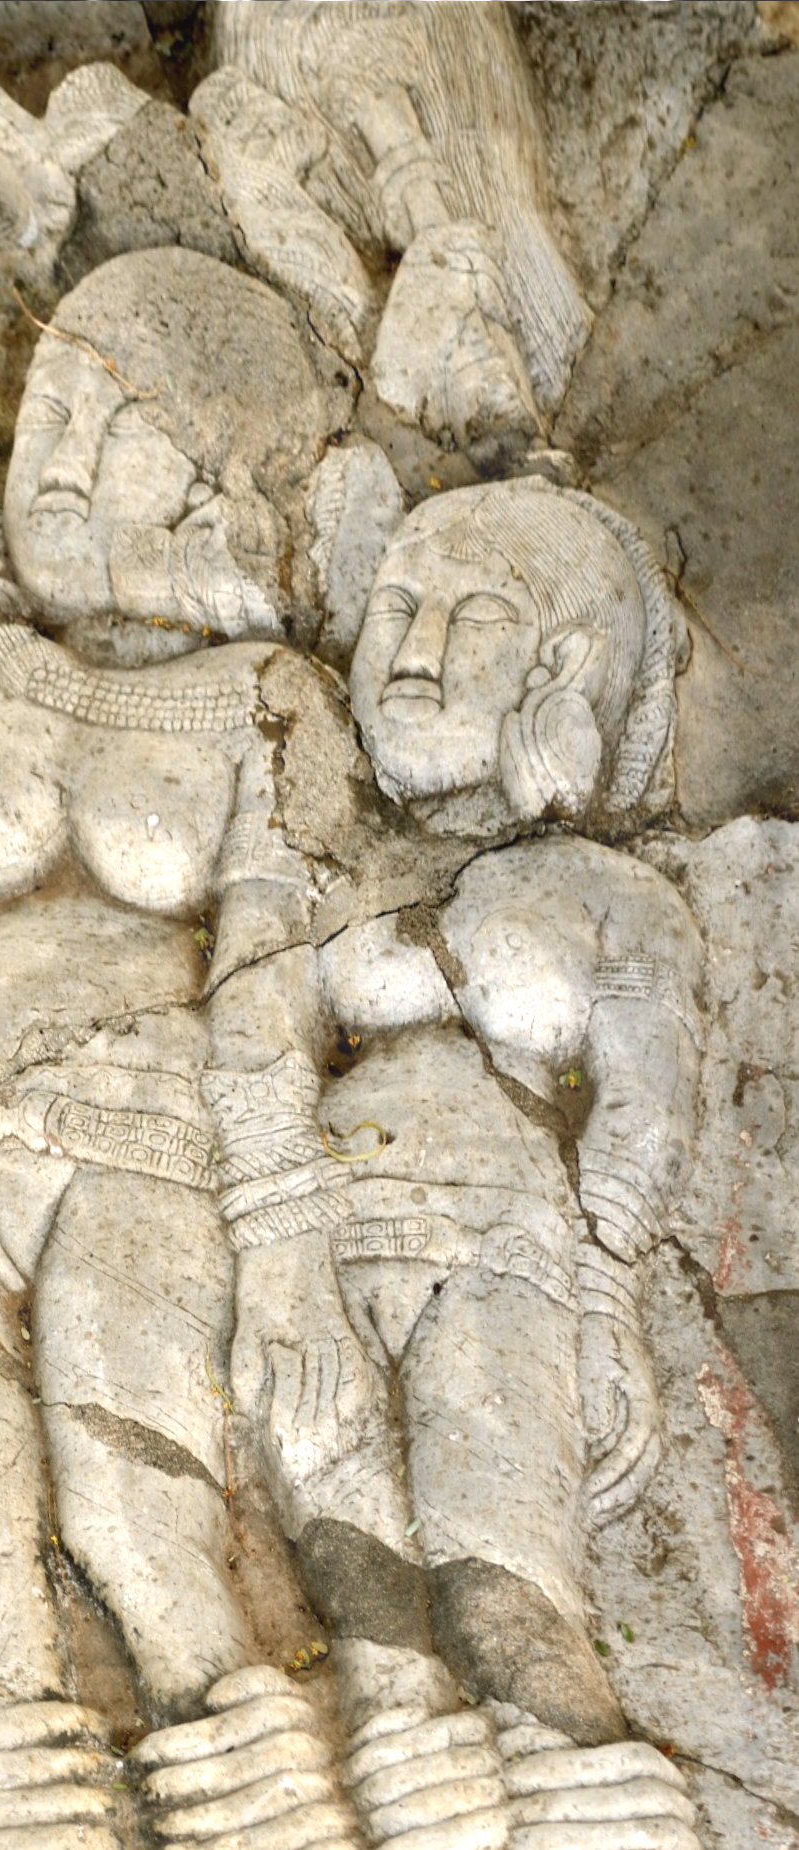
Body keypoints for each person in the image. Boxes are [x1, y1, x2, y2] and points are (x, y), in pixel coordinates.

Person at [0, 246, 369, 1850]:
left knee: (139, 1522)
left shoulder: (266, 698)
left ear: (212, 469)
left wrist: (280, 1249)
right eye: (37, 419)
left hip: (141, 1121)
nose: (50, 463)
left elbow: (271, 984)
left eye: (104, 419)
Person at [218, 477, 705, 1848]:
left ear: (559, 669)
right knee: (374, 1652)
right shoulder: (314, 865)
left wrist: (608, 1302)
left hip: (505, 1261)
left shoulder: (615, 894)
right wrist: (275, 1271)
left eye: (473, 618)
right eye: (396, 611)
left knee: (508, 1609)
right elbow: (251, 1040)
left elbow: (642, 1112)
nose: (417, 653)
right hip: (316, 1252)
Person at [195, 2, 590, 465]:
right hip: (331, 109)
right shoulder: (265, 43)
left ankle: (490, 376)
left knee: (532, 296)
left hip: (448, 123)